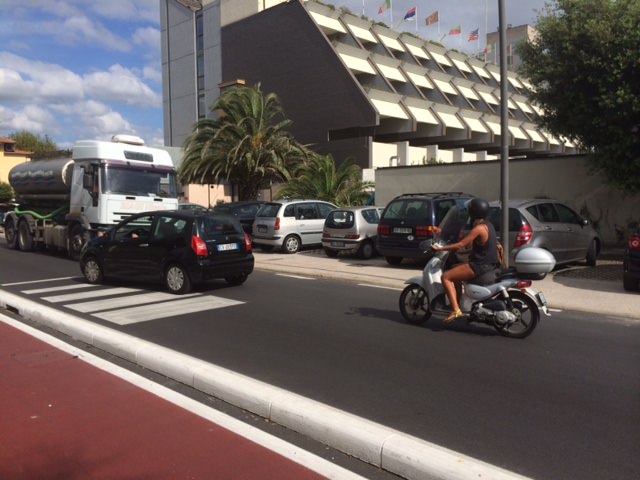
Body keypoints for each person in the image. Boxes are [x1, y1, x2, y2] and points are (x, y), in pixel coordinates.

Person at [431, 198, 499, 323]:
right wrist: (464, 252)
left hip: (479, 266)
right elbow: (483, 247)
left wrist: (441, 247)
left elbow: (460, 244)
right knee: (454, 270)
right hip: (488, 264)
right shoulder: (489, 226)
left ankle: (456, 310)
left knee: (445, 277)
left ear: (473, 212)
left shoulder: (478, 228)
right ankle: (457, 303)